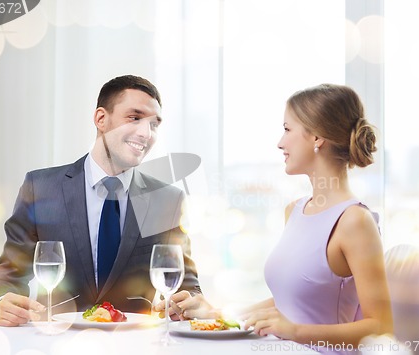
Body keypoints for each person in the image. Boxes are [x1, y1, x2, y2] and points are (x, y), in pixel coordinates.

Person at [156, 84, 393, 353]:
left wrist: (296, 331)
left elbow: (380, 327)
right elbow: (291, 302)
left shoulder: (354, 221)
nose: (280, 142)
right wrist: (215, 313)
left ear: (317, 137)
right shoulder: (294, 210)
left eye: (288, 129)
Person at [0, 75, 201, 327]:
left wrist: (188, 304)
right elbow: (8, 279)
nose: (146, 133)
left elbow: (188, 288)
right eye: (134, 118)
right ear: (101, 119)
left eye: (154, 124)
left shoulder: (168, 200)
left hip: (134, 345)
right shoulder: (40, 188)